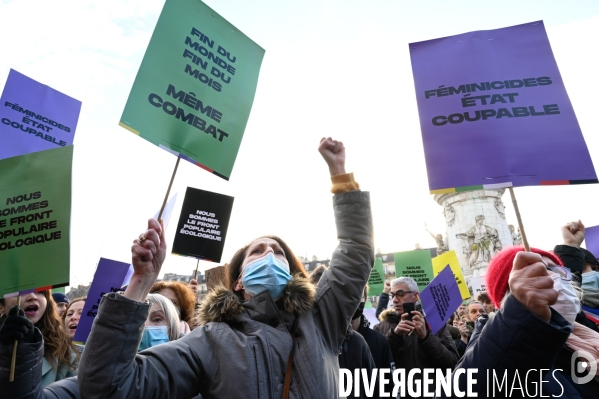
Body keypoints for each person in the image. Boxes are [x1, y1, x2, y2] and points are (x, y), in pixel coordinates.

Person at [77, 137, 374, 399]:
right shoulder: (210, 340)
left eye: (278, 252)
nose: (269, 254)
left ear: (293, 273)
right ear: (239, 282)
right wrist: (141, 282)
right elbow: (108, 387)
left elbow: (357, 250)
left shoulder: (320, 320)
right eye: (257, 251)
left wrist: (340, 176)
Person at [442, 246, 599, 398]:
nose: (555, 276)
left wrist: (570, 246)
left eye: (557, 269)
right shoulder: (494, 344)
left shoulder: (583, 329)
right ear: (511, 294)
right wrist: (521, 319)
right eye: (537, 270)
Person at [0, 293, 182, 399]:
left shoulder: (194, 377)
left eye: (157, 319)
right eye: (69, 313)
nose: (146, 326)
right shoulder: (90, 376)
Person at [385, 276, 459, 398]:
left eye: (400, 294)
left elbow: (452, 364)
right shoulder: (382, 326)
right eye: (392, 295)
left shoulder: (436, 324)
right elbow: (378, 364)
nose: (395, 300)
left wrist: (425, 338)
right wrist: (395, 335)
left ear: (415, 296)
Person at [0, 291, 78, 387]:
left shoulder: (65, 352)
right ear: (1, 307)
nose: (32, 297)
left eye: (40, 292)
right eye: (20, 291)